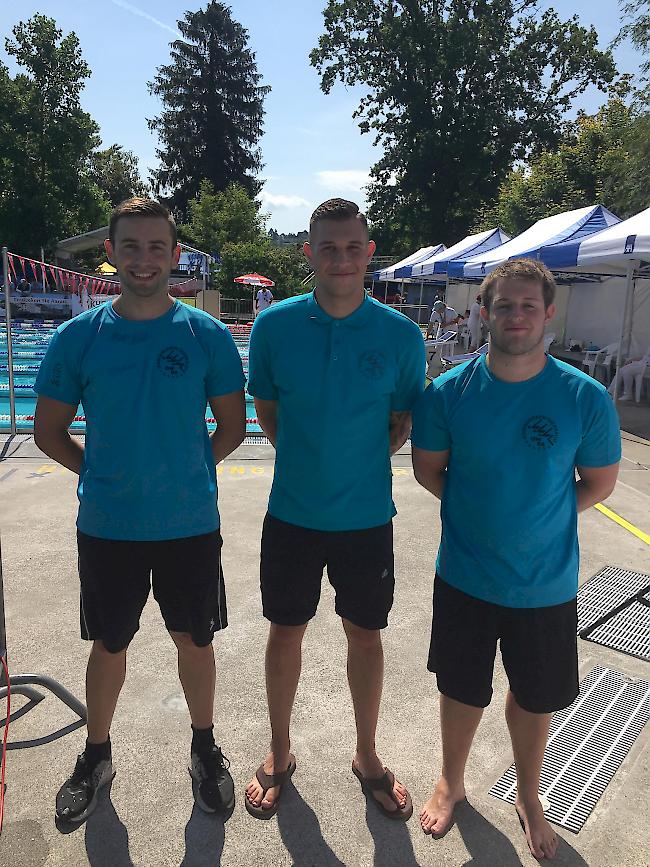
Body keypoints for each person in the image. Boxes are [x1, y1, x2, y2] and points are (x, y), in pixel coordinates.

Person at [33, 197, 246, 825]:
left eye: (158, 247)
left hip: (188, 526)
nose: (145, 259)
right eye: (132, 247)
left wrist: (184, 472)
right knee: (109, 644)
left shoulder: (204, 335)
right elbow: (49, 433)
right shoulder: (79, 338)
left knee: (195, 642)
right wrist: (103, 476)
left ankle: (204, 749)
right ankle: (97, 753)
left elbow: (232, 427)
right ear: (111, 254)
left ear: (176, 256)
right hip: (108, 525)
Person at [411, 258, 620, 859]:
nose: (517, 315)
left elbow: (599, 483)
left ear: (549, 313)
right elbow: (430, 470)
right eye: (504, 305)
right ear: (485, 311)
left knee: (534, 696)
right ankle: (452, 780)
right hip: (466, 576)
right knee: (461, 687)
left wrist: (539, 516)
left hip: (545, 585)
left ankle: (530, 793)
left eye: (529, 306)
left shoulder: (584, 398)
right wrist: (483, 512)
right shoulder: (449, 394)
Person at [244, 198, 425, 821]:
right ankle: (279, 750)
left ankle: (367, 753)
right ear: (309, 253)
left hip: (366, 518)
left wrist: (352, 469)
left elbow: (399, 422)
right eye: (329, 247)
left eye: (353, 247)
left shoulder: (401, 336)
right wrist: (312, 460)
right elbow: (267, 414)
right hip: (292, 513)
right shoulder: (275, 328)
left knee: (365, 635)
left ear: (369, 252)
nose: (342, 259)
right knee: (284, 631)